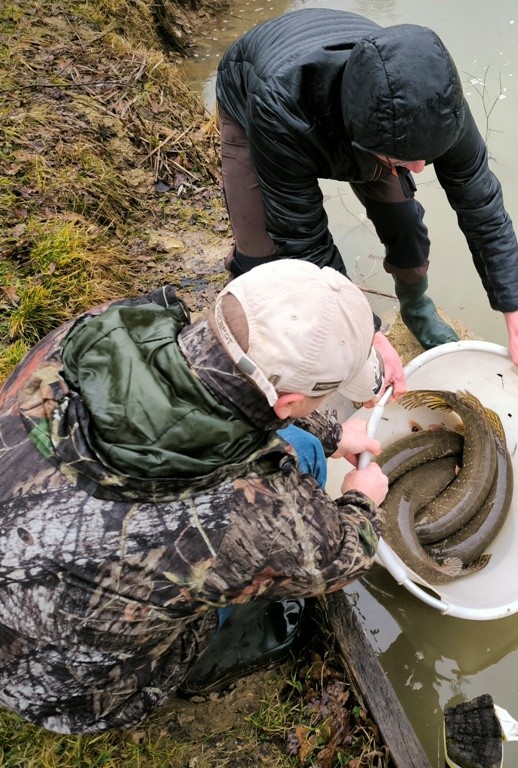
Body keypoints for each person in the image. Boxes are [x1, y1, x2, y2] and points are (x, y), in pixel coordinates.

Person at [0, 260, 390, 734]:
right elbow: (341, 560)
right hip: (64, 692)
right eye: (318, 398)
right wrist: (361, 499)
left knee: (304, 447)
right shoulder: (252, 512)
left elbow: (220, 390)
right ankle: (211, 658)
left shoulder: (99, 333)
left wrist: (328, 431)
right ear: (287, 403)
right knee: (285, 490)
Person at [214, 7, 518, 398]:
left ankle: (416, 306)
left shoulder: (437, 106)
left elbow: (483, 208)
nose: (418, 167)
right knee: (264, 250)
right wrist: (369, 336)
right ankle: (252, 344)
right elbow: (303, 237)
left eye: (426, 156)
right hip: (254, 97)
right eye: (405, 158)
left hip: (380, 111)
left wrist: (517, 324)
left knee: (404, 222)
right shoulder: (278, 105)